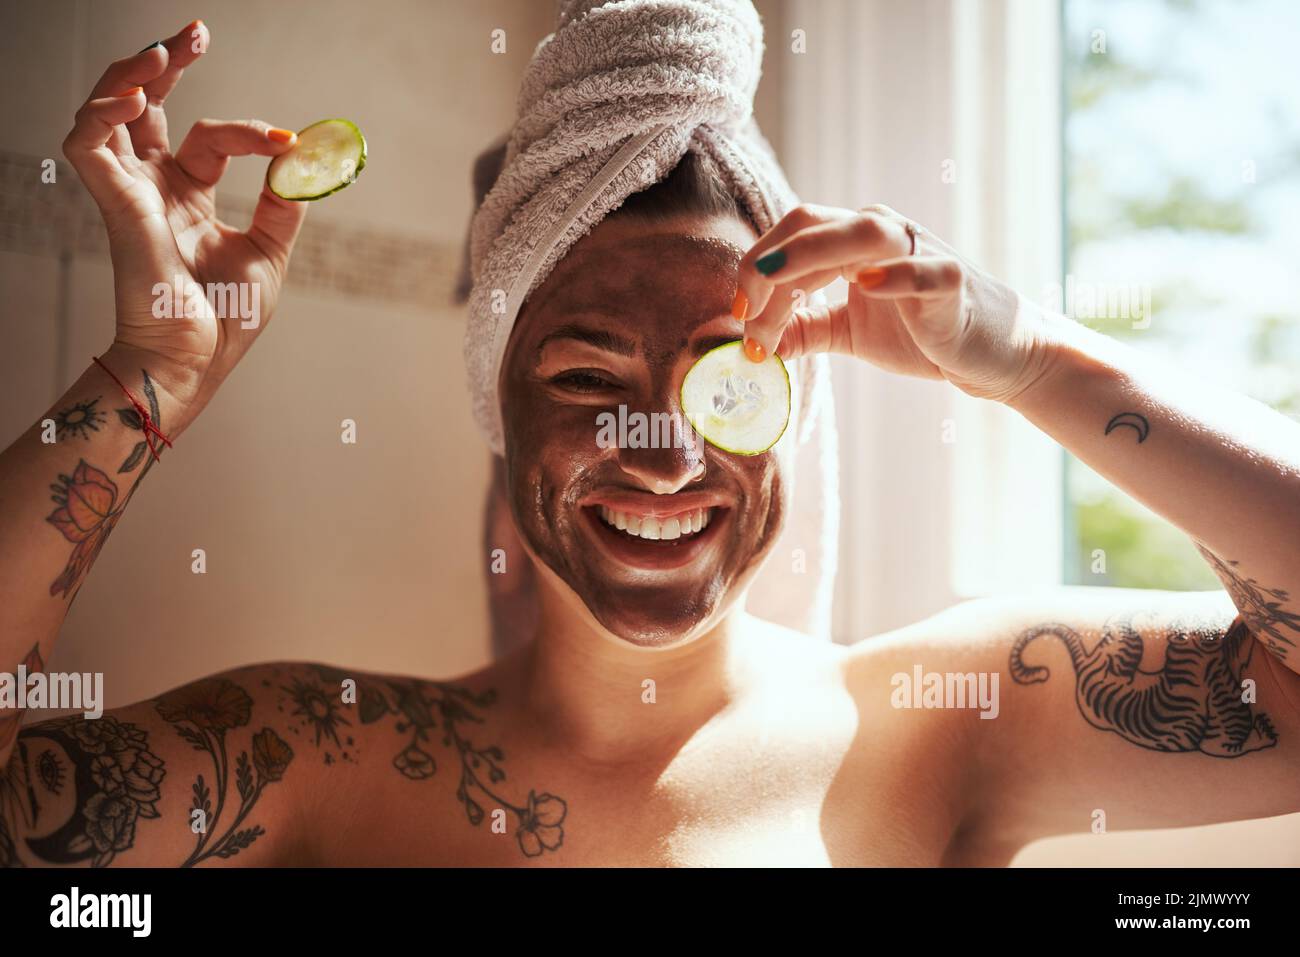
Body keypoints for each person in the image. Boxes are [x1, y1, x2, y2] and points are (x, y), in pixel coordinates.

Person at [1, 16, 1297, 869]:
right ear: (494, 409)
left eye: (725, 372)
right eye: (584, 370)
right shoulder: (321, 757)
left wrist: (1033, 359)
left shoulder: (941, 721)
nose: (665, 448)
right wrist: (147, 379)